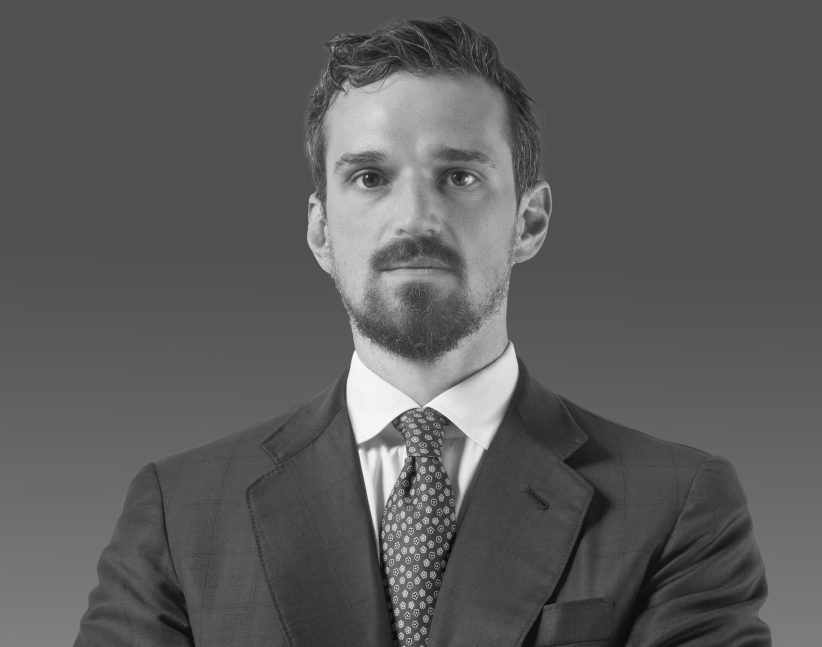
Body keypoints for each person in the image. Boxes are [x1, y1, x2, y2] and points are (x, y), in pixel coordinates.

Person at [75, 16, 770, 647]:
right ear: (320, 230)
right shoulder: (180, 510)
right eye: (370, 177)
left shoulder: (678, 503)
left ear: (529, 220)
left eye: (459, 175)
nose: (413, 217)